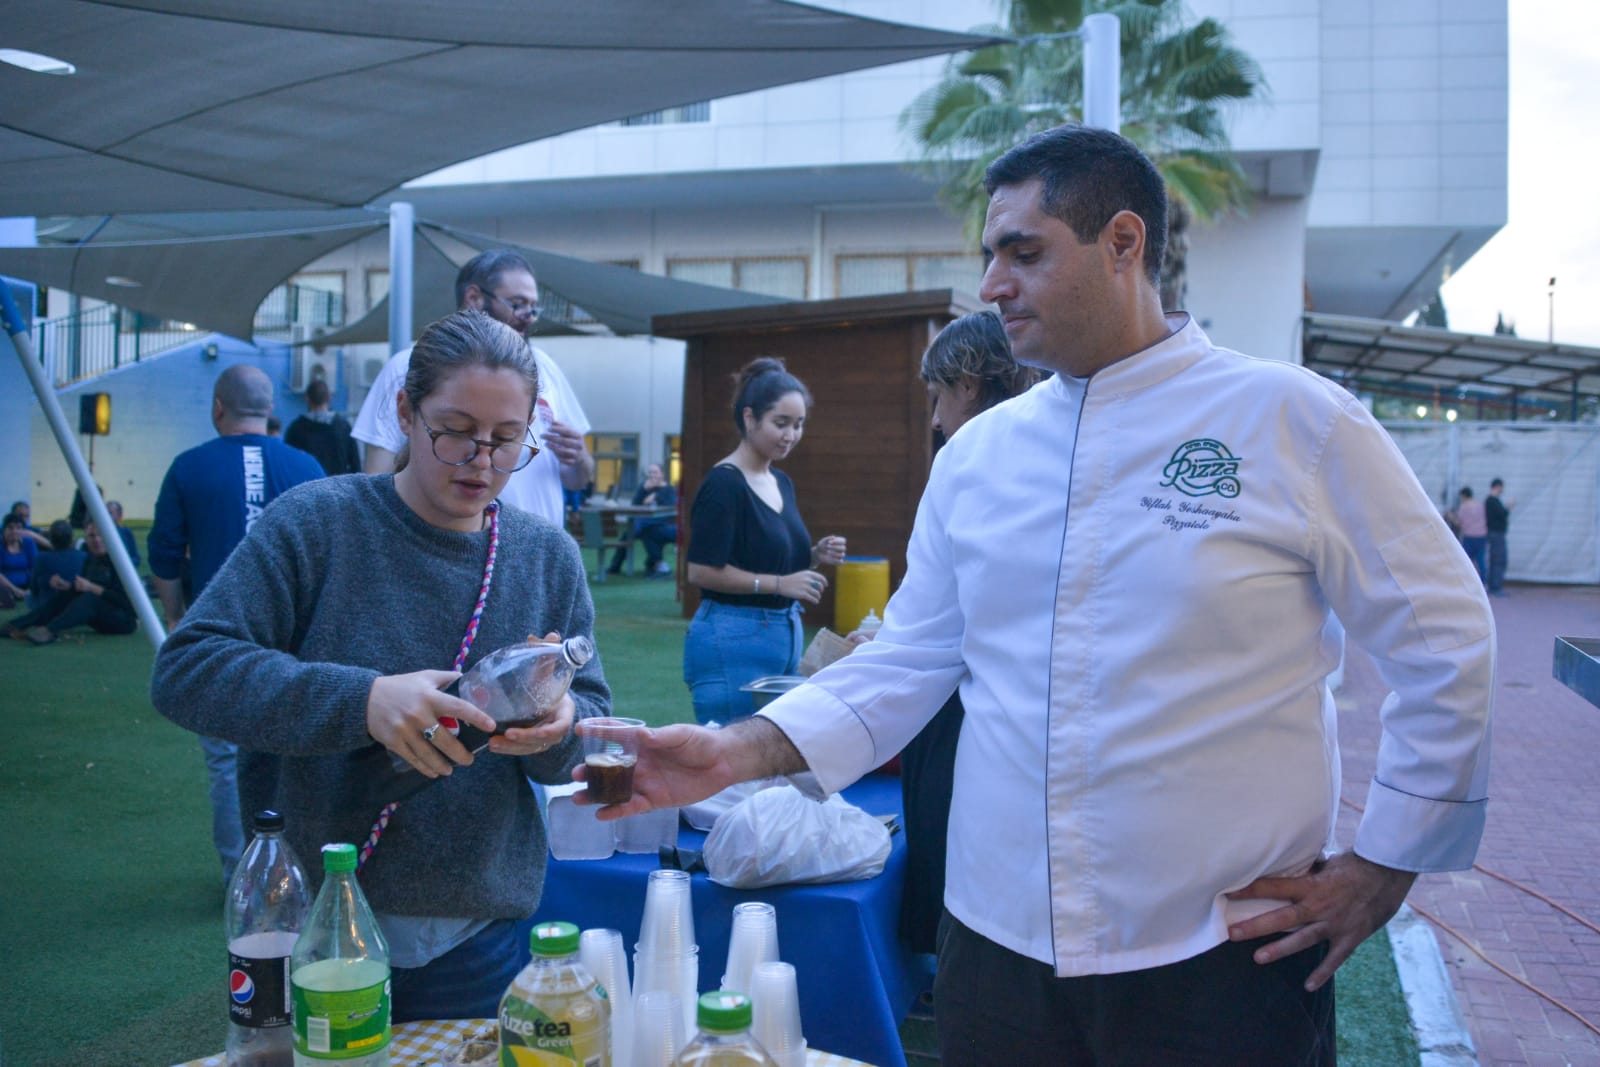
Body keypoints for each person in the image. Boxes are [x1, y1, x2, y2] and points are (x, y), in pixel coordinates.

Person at [581, 126, 1495, 1065]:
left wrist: (1385, 863)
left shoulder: (1292, 419)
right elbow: (908, 657)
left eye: (1024, 252)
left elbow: (1446, 639)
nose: (991, 285)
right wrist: (732, 753)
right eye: (989, 254)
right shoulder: (979, 454)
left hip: (1217, 950)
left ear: (1124, 245)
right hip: (995, 949)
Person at [152, 310, 610, 1021]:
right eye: (454, 429)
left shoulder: (546, 556)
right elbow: (188, 670)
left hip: (476, 930)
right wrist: (362, 701)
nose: (480, 460)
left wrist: (562, 723)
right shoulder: (316, 522)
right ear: (404, 410)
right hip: (314, 925)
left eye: (505, 439)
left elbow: (589, 731)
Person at [885, 309, 1039, 954]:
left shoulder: (980, 464)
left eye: (938, 396)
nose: (935, 419)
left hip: (968, 716)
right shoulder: (988, 463)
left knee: (948, 837)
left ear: (969, 382)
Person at [148, 364, 325, 884]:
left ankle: (242, 878)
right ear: (271, 410)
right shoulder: (306, 466)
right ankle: (302, 867)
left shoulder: (188, 467)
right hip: (299, 638)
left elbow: (163, 555)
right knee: (300, 751)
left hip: (223, 635)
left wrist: (177, 615)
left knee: (226, 759)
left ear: (217, 407)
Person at [352, 250, 595, 526]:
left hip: (533, 559)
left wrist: (578, 459)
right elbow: (377, 479)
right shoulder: (408, 366)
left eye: (508, 435)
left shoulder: (545, 368)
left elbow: (578, 480)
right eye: (517, 304)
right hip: (443, 550)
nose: (528, 316)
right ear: (474, 299)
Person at [682, 358, 847, 725]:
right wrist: (779, 584)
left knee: (767, 768)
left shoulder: (781, 482)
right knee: (728, 767)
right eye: (781, 423)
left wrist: (815, 555)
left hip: (780, 636)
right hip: (731, 640)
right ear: (750, 418)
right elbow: (701, 571)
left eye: (799, 424)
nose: (791, 435)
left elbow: (767, 557)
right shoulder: (724, 484)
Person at [6, 519, 136, 644]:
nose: (96, 540)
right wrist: (68, 586)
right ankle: (14, 625)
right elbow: (84, 589)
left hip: (123, 620)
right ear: (85, 538)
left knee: (91, 599)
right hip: (98, 615)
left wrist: (92, 588)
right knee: (65, 596)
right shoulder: (90, 558)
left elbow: (126, 602)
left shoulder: (120, 562)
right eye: (92, 536)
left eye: (100, 535)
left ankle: (49, 630)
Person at [606, 462, 678, 576]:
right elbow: (634, 504)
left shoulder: (668, 489)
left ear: (662, 474)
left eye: (655, 472)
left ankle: (654, 564)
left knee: (637, 530)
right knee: (628, 535)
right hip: (646, 524)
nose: (652, 475)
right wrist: (643, 491)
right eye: (650, 473)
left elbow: (670, 508)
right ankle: (615, 566)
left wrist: (657, 497)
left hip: (660, 523)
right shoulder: (645, 487)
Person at [285, 377, 362, 476]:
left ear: (307, 398)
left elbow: (289, 463)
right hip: (338, 487)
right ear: (329, 398)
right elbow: (355, 464)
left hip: (308, 487)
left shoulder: (296, 429)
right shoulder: (343, 427)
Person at [28, 519, 86, 610]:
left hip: (50, 607)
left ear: (50, 539)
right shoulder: (84, 556)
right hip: (76, 606)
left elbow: (34, 588)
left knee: (29, 597)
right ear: (72, 537)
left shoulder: (42, 558)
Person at [0, 513, 37, 609]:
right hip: (5, 586)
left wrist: (31, 588)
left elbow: (36, 567)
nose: (14, 531)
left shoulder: (28, 542)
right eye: (10, 528)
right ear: (3, 530)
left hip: (27, 585)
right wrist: (16, 590)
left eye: (18, 528)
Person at [1454, 485, 1488, 583]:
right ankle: (1483, 582)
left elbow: (1459, 523)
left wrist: (1450, 516)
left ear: (1464, 496)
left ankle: (1466, 582)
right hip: (1481, 535)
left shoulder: (1464, 507)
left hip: (1469, 536)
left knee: (1466, 561)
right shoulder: (1480, 505)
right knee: (1481, 559)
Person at [1486, 477, 1514, 595]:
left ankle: (1494, 586)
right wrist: (1508, 507)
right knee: (1499, 559)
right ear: (1497, 487)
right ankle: (1495, 587)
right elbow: (1501, 515)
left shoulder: (1491, 501)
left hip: (1495, 534)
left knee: (1496, 559)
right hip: (1496, 534)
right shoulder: (1492, 501)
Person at [103, 500, 140, 568]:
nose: (106, 516)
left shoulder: (126, 532)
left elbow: (136, 558)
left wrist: (125, 564)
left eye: (110, 513)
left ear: (119, 515)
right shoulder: (99, 533)